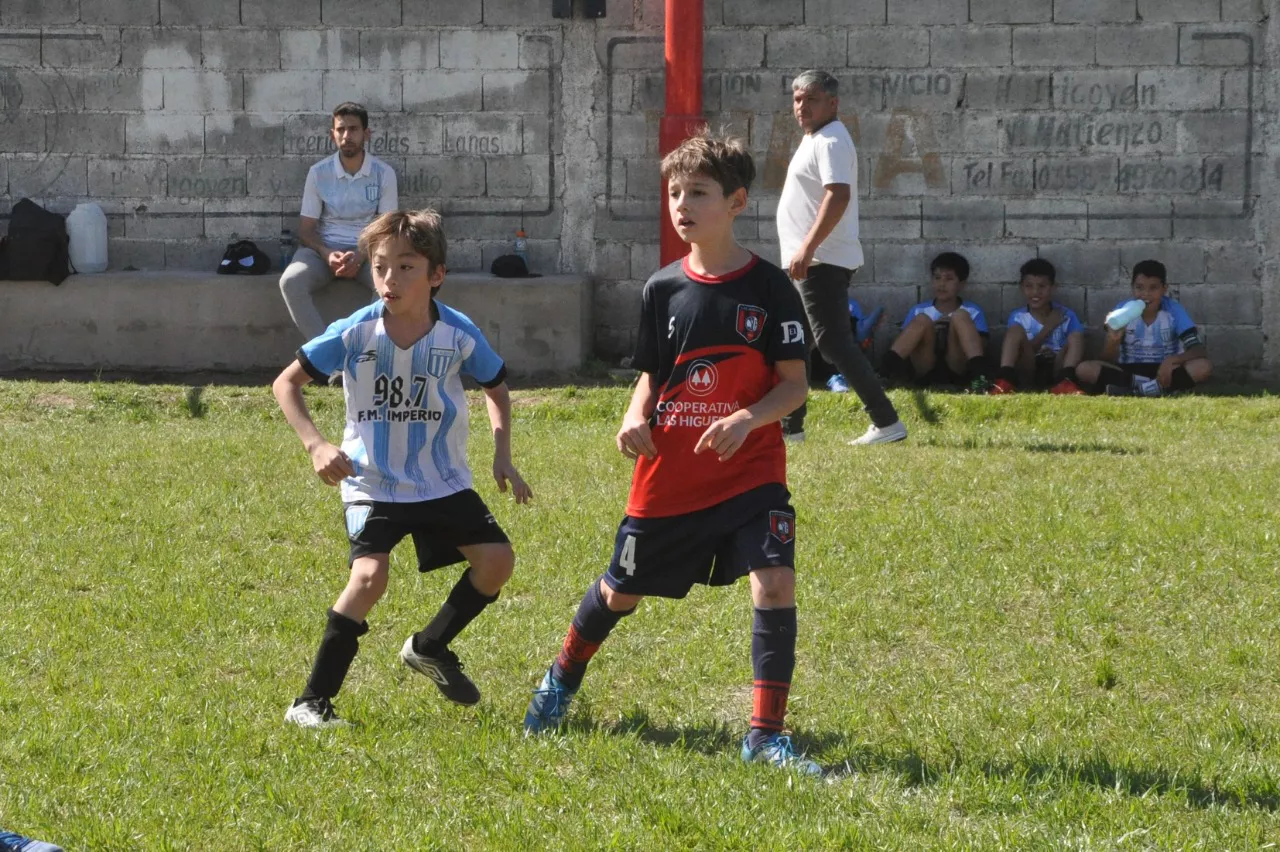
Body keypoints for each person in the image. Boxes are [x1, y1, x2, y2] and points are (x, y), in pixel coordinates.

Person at [522, 132, 820, 775]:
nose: (681, 205)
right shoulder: (662, 289)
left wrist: (747, 417)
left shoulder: (770, 289)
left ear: (737, 201)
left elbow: (795, 385)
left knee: (774, 584)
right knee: (619, 592)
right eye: (675, 192)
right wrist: (633, 417)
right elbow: (652, 378)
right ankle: (559, 682)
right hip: (671, 478)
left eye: (699, 193)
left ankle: (764, 736)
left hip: (751, 472)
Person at [272, 209, 532, 728]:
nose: (390, 279)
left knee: (497, 561)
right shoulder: (353, 332)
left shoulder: (458, 334)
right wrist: (316, 445)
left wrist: (502, 453)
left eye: (406, 267)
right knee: (369, 577)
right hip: (372, 482)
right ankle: (310, 702)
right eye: (381, 266)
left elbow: (497, 390)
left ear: (436, 275)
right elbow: (286, 384)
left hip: (441, 480)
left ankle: (429, 646)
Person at [777, 70, 906, 446]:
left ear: (832, 103)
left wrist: (807, 248)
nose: (802, 107)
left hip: (821, 261)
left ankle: (886, 422)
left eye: (811, 99)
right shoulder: (815, 138)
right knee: (795, 342)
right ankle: (791, 430)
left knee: (832, 343)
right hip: (809, 261)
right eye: (798, 99)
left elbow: (838, 196)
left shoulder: (831, 139)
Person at [279, 102, 399, 341]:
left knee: (391, 285)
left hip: (368, 251)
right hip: (324, 250)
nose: (347, 136)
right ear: (332, 135)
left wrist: (361, 254)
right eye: (341, 130)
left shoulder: (384, 173)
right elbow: (306, 230)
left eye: (353, 129)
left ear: (366, 134)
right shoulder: (318, 173)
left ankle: (361, 349)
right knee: (290, 281)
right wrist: (327, 253)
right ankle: (326, 353)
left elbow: (387, 229)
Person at [1076, 260, 1213, 396]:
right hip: (1129, 371)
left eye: (1153, 288)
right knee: (1084, 369)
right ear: (1132, 288)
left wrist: (1172, 360)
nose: (1146, 294)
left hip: (1165, 369)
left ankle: (1131, 392)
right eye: (1139, 288)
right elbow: (1107, 359)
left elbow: (1198, 350)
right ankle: (1154, 389)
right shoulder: (1122, 310)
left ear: (1164, 289)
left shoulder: (1173, 311)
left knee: (1203, 366)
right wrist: (1113, 341)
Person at [880, 252, 990, 391]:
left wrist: (952, 328)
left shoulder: (972, 310)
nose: (942, 284)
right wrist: (933, 329)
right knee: (922, 319)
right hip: (925, 366)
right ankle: (882, 374)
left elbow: (984, 345)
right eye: (937, 278)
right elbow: (903, 343)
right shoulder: (919, 309)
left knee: (960, 316)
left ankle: (979, 378)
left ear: (961, 284)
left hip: (957, 367)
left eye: (949, 279)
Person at [989, 259, 1086, 395]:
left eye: (1042, 286)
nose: (1035, 292)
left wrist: (1056, 354)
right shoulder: (1018, 316)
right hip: (1029, 365)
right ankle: (1005, 380)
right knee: (1015, 331)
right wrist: (1048, 328)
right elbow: (1021, 350)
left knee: (1076, 336)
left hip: (1057, 367)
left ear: (1053, 288)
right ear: (1021, 287)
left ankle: (1066, 382)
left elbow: (1076, 347)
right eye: (1029, 286)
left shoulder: (1066, 315)